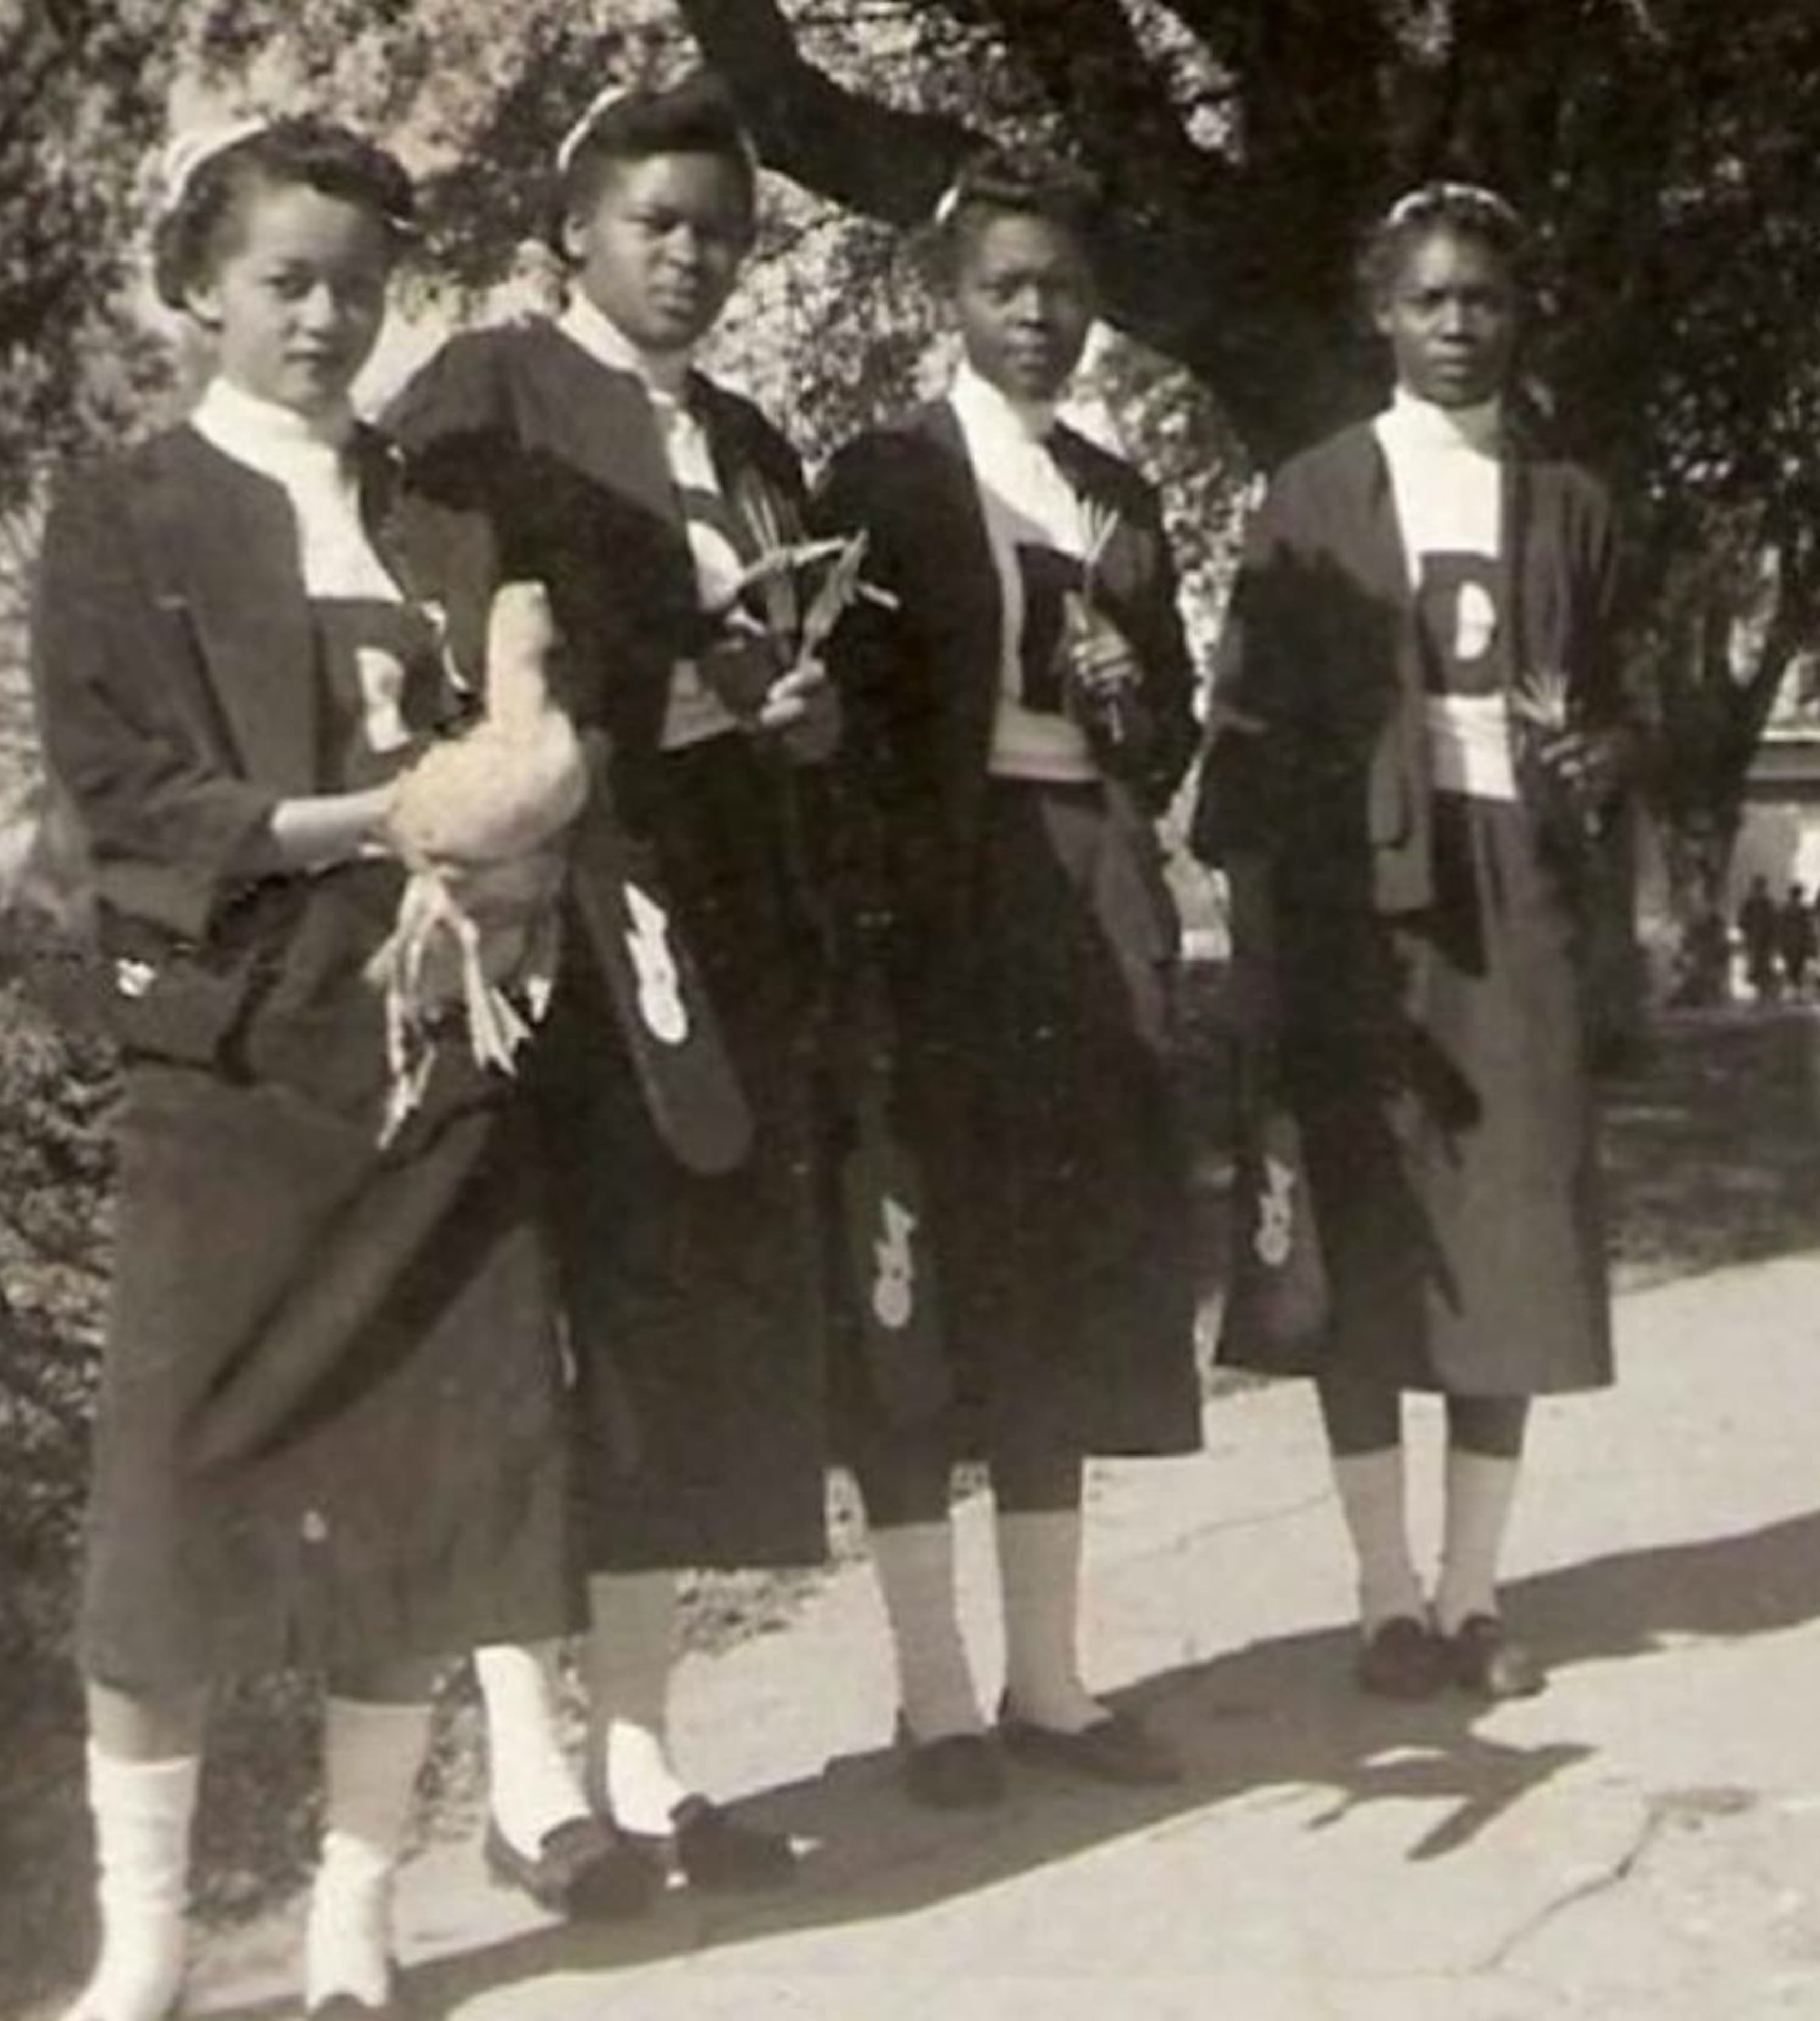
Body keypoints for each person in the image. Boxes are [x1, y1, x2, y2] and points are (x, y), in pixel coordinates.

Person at [31, 118, 650, 2021]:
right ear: (202, 285)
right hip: (231, 1068)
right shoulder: (126, 513)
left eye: (360, 284)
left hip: (440, 1071)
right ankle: (139, 1947)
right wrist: (377, 811)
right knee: (169, 1496)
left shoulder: (452, 522)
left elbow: (538, 749)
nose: (325, 314)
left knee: (422, 1496)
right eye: (287, 279)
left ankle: (349, 1921)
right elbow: (133, 799)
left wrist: (529, 821)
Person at [385, 73, 831, 1890]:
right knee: (525, 1321)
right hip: (540, 910)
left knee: (665, 1329)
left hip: (709, 921)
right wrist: (661, 699)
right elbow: (458, 638)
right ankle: (525, 1779)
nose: (693, 258)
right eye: (658, 222)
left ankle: (647, 1767)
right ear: (574, 227)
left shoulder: (745, 435)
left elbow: (771, 669)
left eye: (723, 230)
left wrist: (788, 706)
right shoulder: (490, 387)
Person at [1193, 181, 1630, 1704]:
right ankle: (1382, 1594)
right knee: (1370, 1237)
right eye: (1429, 300)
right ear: (1381, 313)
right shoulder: (1315, 492)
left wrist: (1600, 762)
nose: (1458, 327)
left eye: (1485, 301)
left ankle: (1471, 1593)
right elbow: (1244, 731)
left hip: (1516, 894)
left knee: (1508, 1232)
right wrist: (1261, 950)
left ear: (1519, 315)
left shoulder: (1570, 499)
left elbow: (1619, 703)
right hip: (1355, 912)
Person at [813, 150, 1203, 1806]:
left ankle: (1048, 1679)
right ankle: (932, 1693)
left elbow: (1166, 725)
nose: (1037, 316)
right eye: (1004, 288)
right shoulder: (887, 473)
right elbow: (840, 710)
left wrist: (1129, 700)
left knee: (1058, 1284)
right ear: (947, 302)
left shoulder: (1117, 495)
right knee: (926, 1284)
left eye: (1061, 288)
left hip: (1084, 897)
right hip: (938, 909)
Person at [1739, 873, 1779, 1002]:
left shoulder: (1766, 904)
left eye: (1760, 887)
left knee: (1763, 965)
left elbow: (1774, 922)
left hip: (1764, 940)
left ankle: (1763, 991)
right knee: (1756, 965)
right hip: (1754, 940)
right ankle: (1760, 991)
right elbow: (1742, 921)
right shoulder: (1750, 904)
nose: (1759, 890)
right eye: (1758, 887)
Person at [1778, 882, 1816, 997]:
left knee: (1793, 967)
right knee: (1797, 967)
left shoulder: (1786, 909)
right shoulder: (1802, 909)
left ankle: (1794, 992)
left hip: (1791, 942)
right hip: (1797, 942)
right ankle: (1796, 993)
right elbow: (1808, 927)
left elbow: (1781, 926)